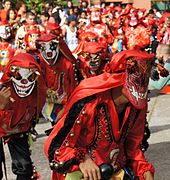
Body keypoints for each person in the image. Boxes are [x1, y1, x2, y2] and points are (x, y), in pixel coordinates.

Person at [44, 50, 155, 180]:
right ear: (119, 77)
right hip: (82, 174)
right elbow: (55, 147)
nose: (142, 85)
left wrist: (143, 168)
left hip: (115, 171)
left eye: (145, 78)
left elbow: (133, 146)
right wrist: (81, 159)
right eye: (137, 77)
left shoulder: (137, 106)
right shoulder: (88, 102)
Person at [0, 53, 46, 180]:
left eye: (30, 76)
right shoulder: (2, 90)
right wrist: (1, 106)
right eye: (18, 76)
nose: (24, 82)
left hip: (19, 130)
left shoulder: (38, 92)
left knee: (25, 168)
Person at [36, 33, 78, 125]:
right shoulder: (38, 63)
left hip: (65, 104)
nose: (48, 52)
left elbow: (72, 87)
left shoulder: (67, 64)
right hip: (47, 103)